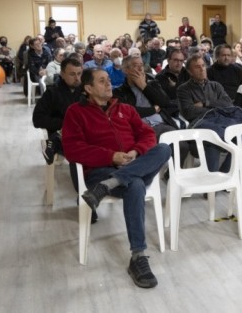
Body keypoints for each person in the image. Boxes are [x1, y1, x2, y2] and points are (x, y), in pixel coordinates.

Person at [62, 68, 171, 289]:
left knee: (163, 148)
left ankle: (111, 185)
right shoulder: (76, 112)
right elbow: (72, 149)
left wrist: (136, 152)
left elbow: (147, 134)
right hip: (100, 171)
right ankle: (138, 257)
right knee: (136, 185)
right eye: (102, 81)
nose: (109, 84)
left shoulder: (125, 109)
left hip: (133, 164)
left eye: (109, 80)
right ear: (88, 88)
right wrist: (110, 156)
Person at [177, 53, 242, 172]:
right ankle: (210, 185)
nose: (202, 69)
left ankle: (225, 175)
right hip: (199, 128)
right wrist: (216, 107)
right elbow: (189, 112)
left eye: (203, 65)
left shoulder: (215, 86)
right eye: (197, 67)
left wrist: (206, 104)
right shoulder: (183, 89)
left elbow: (227, 104)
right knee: (212, 140)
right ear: (190, 71)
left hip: (221, 124)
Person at [33, 57, 83, 167]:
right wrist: (65, 123)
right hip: (64, 134)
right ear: (62, 74)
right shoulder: (52, 93)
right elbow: (37, 119)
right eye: (72, 74)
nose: (77, 78)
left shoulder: (85, 91)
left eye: (79, 74)